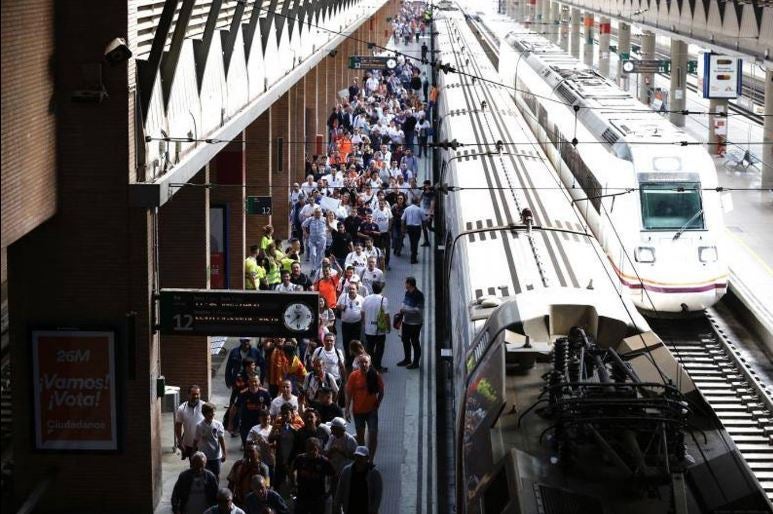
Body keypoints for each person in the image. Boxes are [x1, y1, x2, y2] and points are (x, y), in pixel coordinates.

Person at [345, 354, 384, 460]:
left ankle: (371, 458)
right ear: (358, 364)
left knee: (373, 434)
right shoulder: (353, 376)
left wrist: (378, 403)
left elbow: (381, 391)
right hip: (358, 411)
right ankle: (363, 457)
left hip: (371, 410)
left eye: (366, 362)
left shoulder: (375, 375)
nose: (363, 364)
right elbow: (349, 393)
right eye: (361, 362)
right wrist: (347, 410)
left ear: (370, 363)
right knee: (360, 436)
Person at [290, 438, 336, 514]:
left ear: (318, 449)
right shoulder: (300, 459)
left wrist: (330, 491)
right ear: (306, 449)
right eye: (309, 449)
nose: (311, 451)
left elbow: (334, 475)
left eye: (314, 449)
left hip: (318, 498)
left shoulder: (324, 461)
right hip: (302, 496)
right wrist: (294, 484)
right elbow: (292, 471)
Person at [333, 446, 384, 514]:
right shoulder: (346, 471)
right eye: (357, 456)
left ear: (367, 458)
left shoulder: (374, 474)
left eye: (361, 457)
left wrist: (374, 509)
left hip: (366, 510)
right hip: (350, 509)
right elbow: (340, 489)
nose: (358, 459)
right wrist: (337, 506)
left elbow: (378, 494)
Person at [324, 417, 358, 501]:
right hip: (333, 471)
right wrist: (331, 451)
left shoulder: (350, 440)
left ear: (339, 429)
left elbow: (355, 457)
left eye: (333, 428)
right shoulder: (332, 437)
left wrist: (340, 451)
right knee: (335, 493)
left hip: (346, 472)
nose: (331, 429)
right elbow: (326, 453)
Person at [233, 375, 272, 446]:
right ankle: (246, 456)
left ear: (259, 382)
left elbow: (269, 406)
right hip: (246, 423)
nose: (253, 383)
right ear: (248, 382)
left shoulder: (265, 393)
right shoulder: (242, 393)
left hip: (259, 423)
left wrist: (268, 419)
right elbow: (235, 407)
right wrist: (231, 423)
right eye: (251, 381)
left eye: (255, 381)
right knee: (247, 443)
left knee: (259, 444)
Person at [361, 281, 390, 373]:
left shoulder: (366, 299)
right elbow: (386, 316)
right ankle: (378, 366)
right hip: (380, 329)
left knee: (369, 348)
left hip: (368, 329)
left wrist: (364, 324)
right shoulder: (383, 300)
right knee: (380, 349)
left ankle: (370, 366)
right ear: (381, 289)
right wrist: (388, 327)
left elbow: (362, 313)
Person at [194, 402, 227, 479]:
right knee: (204, 475)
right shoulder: (199, 426)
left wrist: (224, 453)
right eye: (210, 412)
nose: (212, 414)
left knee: (216, 474)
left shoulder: (218, 425)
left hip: (216, 456)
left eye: (213, 412)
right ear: (204, 414)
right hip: (204, 455)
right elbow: (196, 439)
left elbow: (221, 439)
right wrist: (193, 451)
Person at [398, 276, 425, 369]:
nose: (405, 284)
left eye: (406, 283)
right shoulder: (407, 293)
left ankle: (416, 362)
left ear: (409, 284)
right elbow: (405, 303)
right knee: (405, 340)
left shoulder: (419, 295)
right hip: (406, 321)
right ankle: (407, 359)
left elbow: (419, 310)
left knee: (415, 342)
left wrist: (405, 311)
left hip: (415, 323)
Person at [175, 385, 204, 460]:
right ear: (188, 395)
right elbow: (178, 426)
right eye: (193, 394)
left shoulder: (204, 406)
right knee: (194, 465)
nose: (196, 396)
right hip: (189, 444)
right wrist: (180, 442)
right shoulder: (182, 409)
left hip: (204, 443)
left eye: (198, 394)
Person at [336, 284, 364, 353]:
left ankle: (355, 358)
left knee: (356, 343)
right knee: (346, 342)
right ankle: (348, 359)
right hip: (345, 325)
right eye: (350, 289)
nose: (351, 290)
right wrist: (340, 307)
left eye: (353, 289)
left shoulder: (361, 299)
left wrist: (362, 321)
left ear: (357, 290)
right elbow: (337, 305)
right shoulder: (343, 296)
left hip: (357, 324)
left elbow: (364, 311)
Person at [303, 206, 328, 273]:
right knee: (313, 254)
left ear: (321, 213)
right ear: (314, 213)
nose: (317, 214)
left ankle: (317, 268)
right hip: (312, 240)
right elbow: (303, 225)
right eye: (316, 212)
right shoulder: (310, 219)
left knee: (320, 254)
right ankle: (313, 268)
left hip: (321, 240)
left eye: (319, 212)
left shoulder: (324, 219)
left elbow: (330, 225)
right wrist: (305, 232)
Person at [402, 196, 426, 264]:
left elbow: (402, 220)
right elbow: (424, 220)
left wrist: (403, 229)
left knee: (412, 241)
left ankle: (413, 252)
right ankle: (413, 258)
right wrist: (423, 229)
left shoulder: (407, 209)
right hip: (417, 228)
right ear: (417, 202)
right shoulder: (420, 210)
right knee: (416, 242)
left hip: (409, 227)